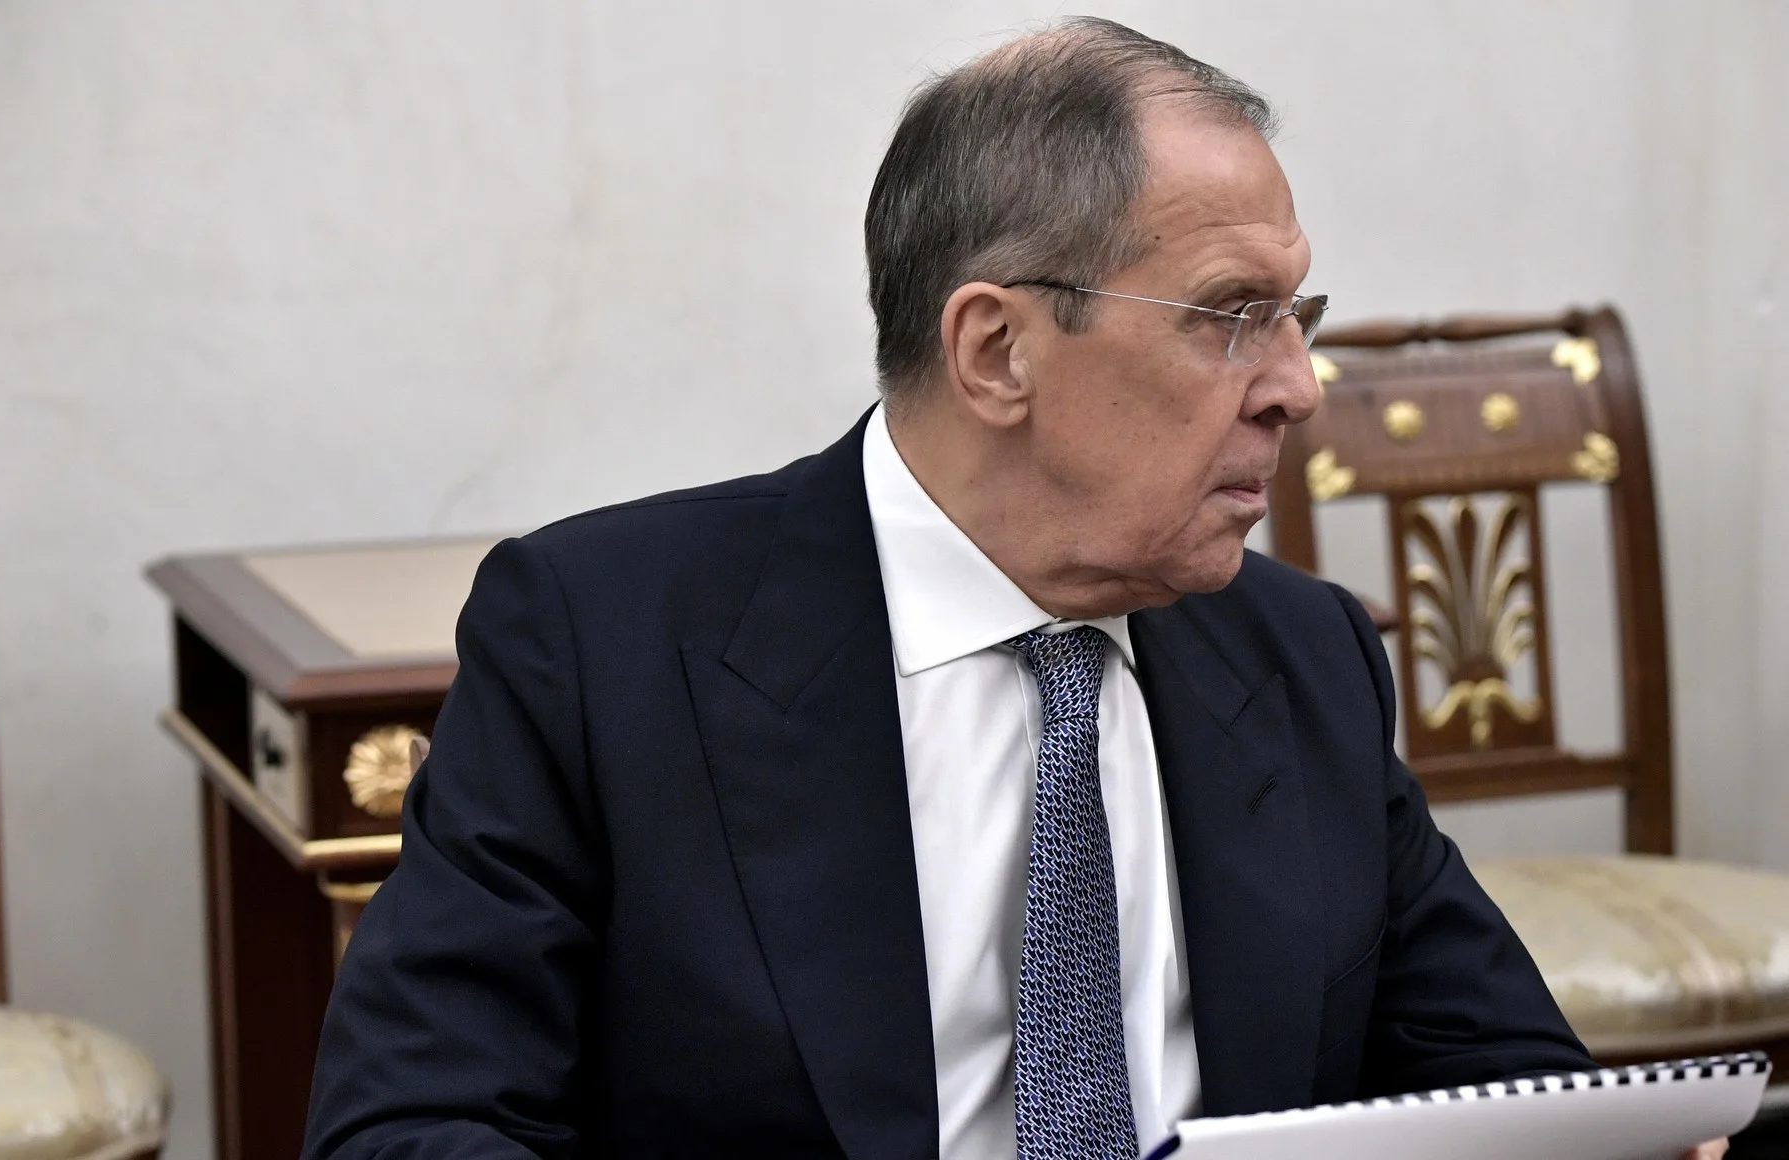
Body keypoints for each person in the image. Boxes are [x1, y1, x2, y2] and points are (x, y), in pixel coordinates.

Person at [303, 18, 1726, 1160]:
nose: (1299, 387)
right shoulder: (604, 643)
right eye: (1232, 317)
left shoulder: (1302, 657)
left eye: (1298, 318)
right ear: (996, 352)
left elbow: (1495, 1079)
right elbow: (414, 1124)